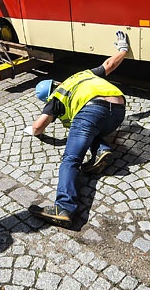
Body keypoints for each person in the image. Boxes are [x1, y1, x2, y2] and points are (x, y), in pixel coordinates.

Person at [26, 31, 130, 227]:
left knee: (71, 159)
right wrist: (123, 50)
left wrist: (33, 131)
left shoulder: (55, 98)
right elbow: (109, 64)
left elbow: (38, 127)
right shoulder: (79, 76)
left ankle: (64, 207)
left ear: (46, 96)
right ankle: (102, 149)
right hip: (118, 110)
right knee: (91, 129)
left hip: (91, 111)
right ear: (54, 83)